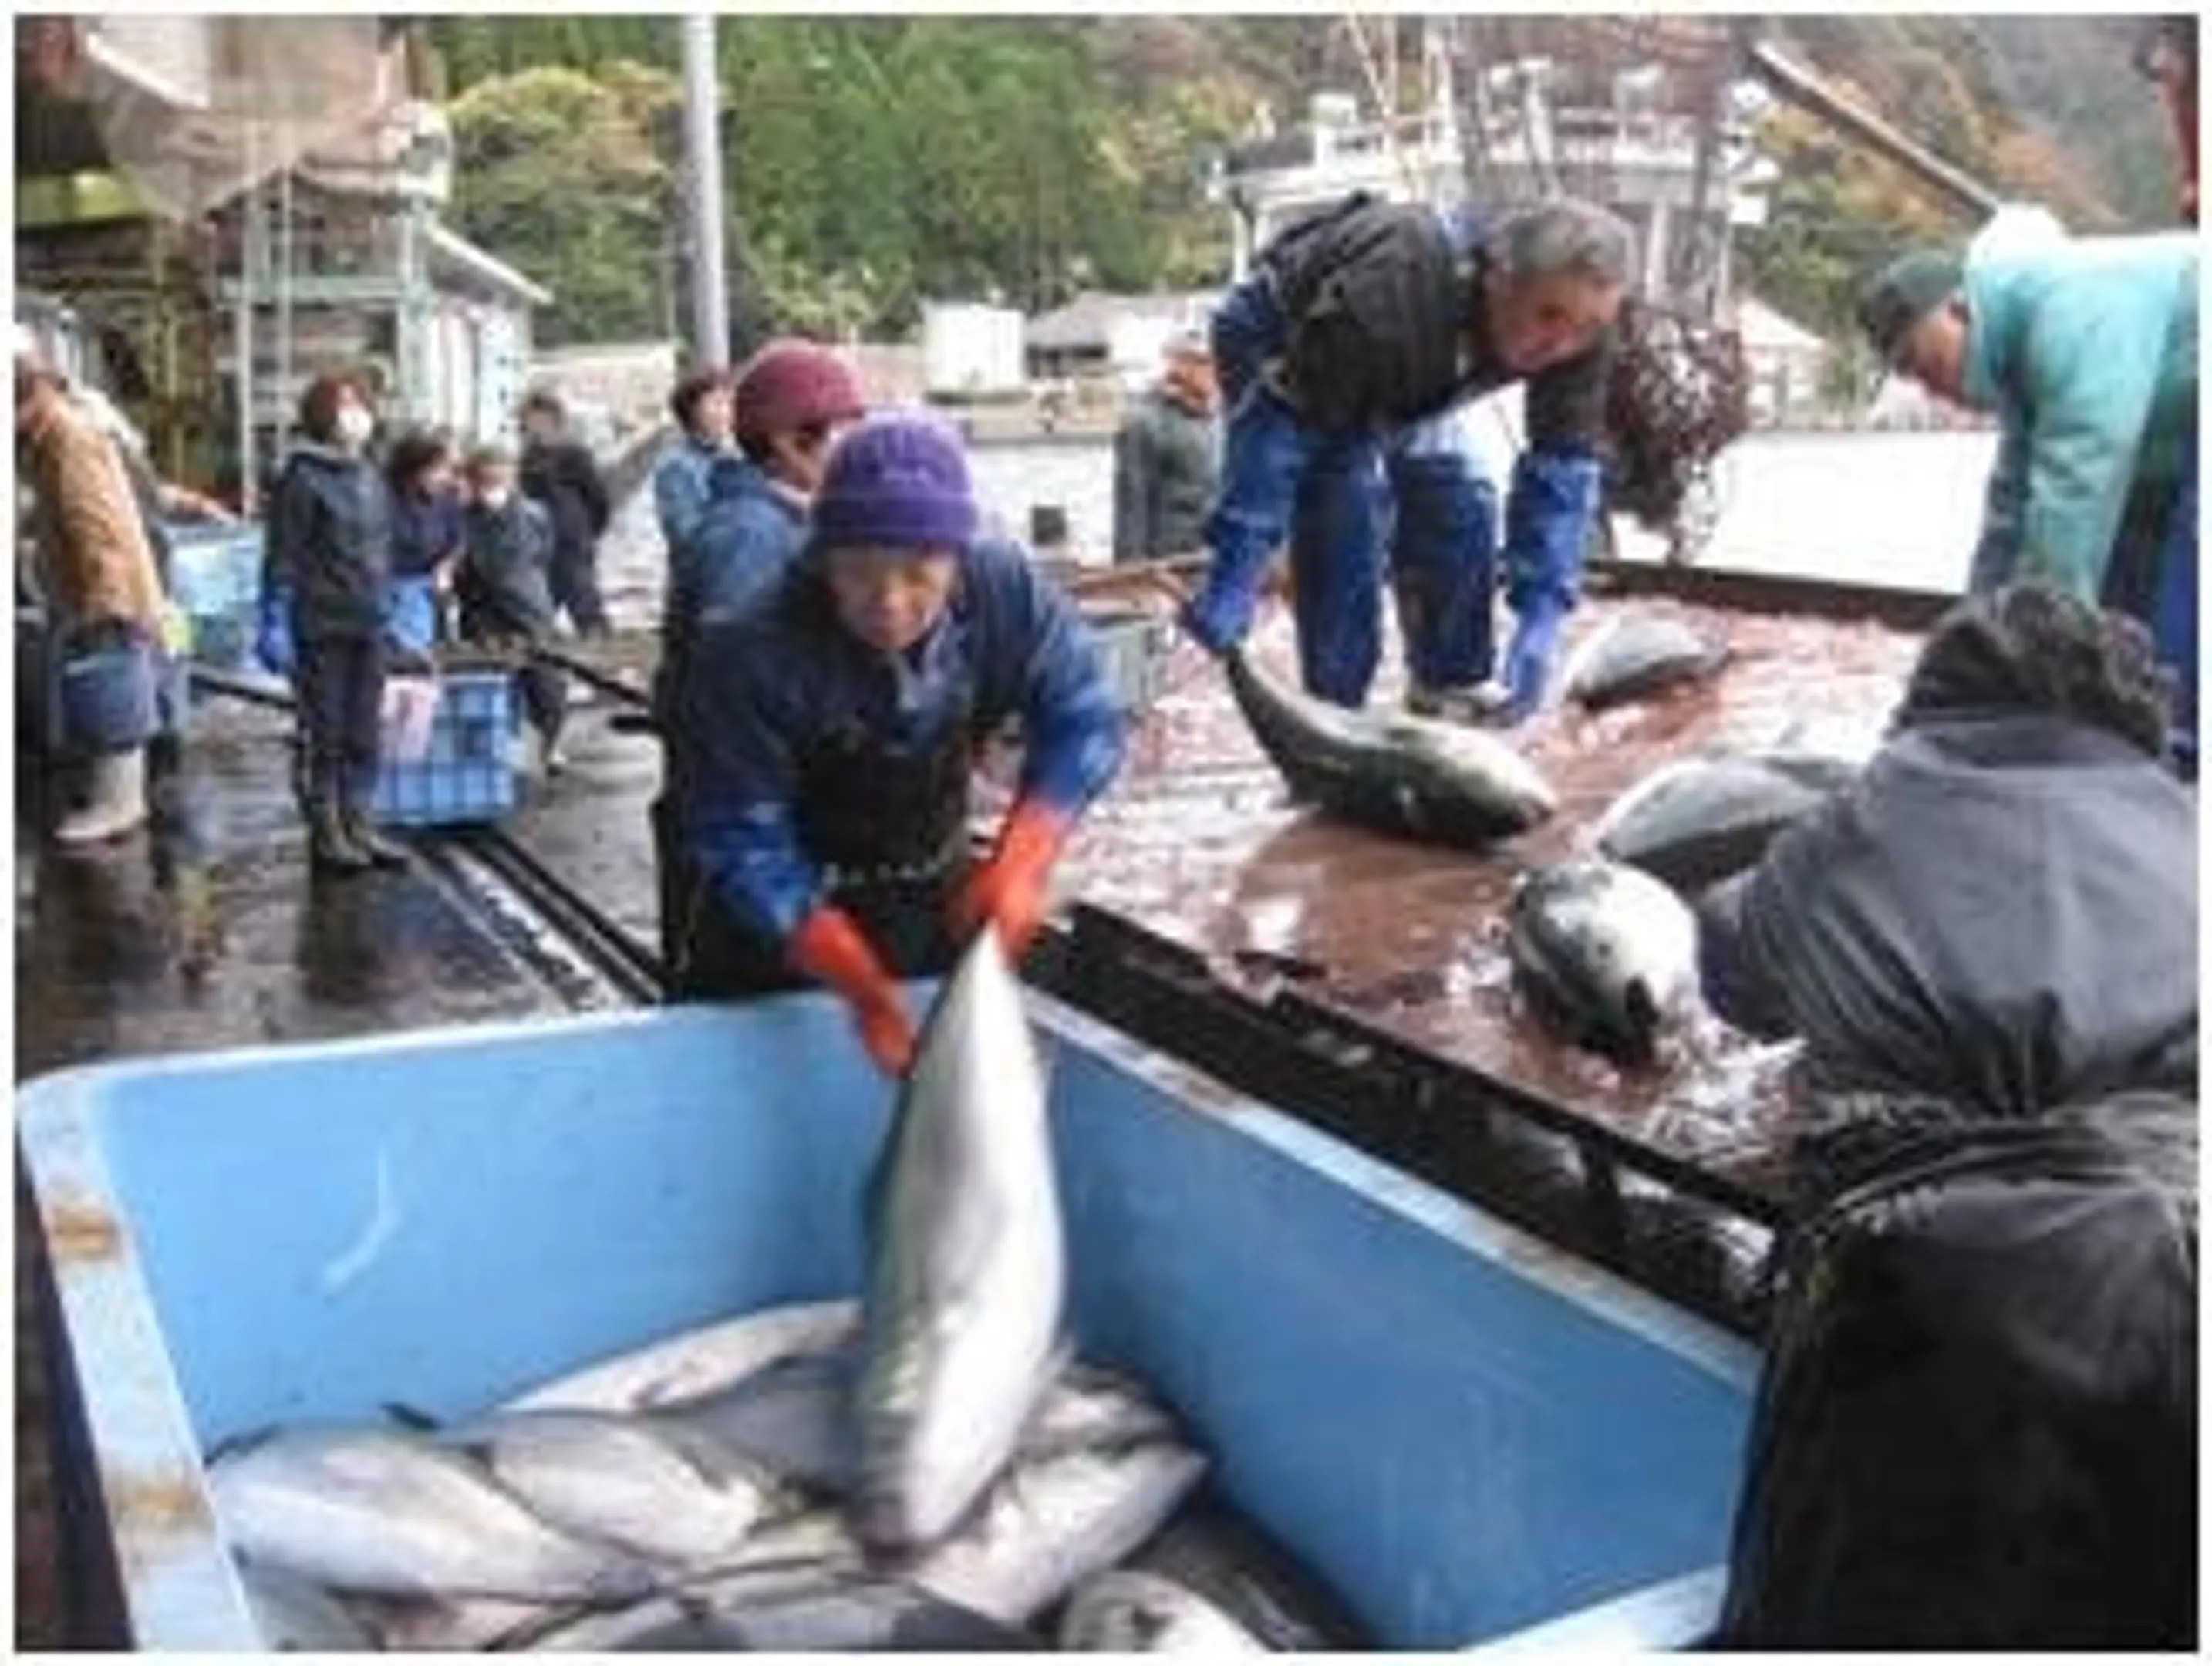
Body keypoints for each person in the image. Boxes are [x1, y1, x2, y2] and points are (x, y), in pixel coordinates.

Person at [677, 413, 1126, 1074]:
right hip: (772, 935)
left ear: (957, 554)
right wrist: (851, 975)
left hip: (925, 893)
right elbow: (741, 835)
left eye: (920, 573)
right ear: (823, 552)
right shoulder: (750, 647)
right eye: (857, 570)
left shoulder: (1004, 588)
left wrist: (1025, 854)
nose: (888, 601)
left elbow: (1084, 713)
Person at [1697, 582, 2197, 1120]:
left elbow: (1735, 971)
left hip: (1889, 1184)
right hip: (2165, 1173)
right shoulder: (2186, 833)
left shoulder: (1855, 823)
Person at [1178, 192, 1631, 722]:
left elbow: (1562, 469)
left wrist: (1544, 611)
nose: (1560, 344)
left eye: (1585, 327)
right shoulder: (1392, 295)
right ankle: (1336, 703)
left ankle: (1448, 679)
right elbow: (1278, 428)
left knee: (1456, 494)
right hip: (1284, 332)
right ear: (1499, 278)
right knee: (1340, 502)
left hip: (1423, 362)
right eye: (1548, 315)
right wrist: (1238, 565)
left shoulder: (1579, 337)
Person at [1856, 227, 2197, 773]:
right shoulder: (2015, 365)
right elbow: (2009, 517)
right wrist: (1962, 652)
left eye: (1922, 359)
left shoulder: (2074, 315)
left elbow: (2074, 504)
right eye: (1911, 376)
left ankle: (2178, 758)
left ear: (1960, 310)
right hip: (2172, 438)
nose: (1927, 385)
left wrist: (2028, 675)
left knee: (2183, 569)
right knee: (2114, 597)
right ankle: (2117, 744)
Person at [652, 339, 866, 973]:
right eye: (845, 435)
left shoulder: (789, 526)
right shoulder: (749, 539)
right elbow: (741, 703)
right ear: (790, 443)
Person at [256, 370, 408, 875]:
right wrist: (275, 616)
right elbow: (283, 554)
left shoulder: (369, 472)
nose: (356, 416)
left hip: (369, 621)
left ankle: (360, 823)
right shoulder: (301, 477)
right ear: (322, 414)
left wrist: (392, 608)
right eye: (345, 405)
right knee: (327, 731)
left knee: (365, 730)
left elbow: (382, 548)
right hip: (320, 624)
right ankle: (326, 830)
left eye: (361, 403)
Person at [15, 349, 170, 845]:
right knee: (109, 687)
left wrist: (105, 600)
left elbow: (96, 527)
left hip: (107, 592)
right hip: (101, 589)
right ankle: (119, 798)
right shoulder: (55, 435)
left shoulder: (67, 439)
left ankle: (118, 803)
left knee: (109, 692)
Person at [454, 443, 568, 777]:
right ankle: (499, 752)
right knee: (490, 684)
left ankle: (541, 750)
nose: (495, 489)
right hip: (483, 612)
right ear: (474, 484)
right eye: (487, 481)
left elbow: (545, 555)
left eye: (501, 479)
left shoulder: (534, 515)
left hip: (530, 609)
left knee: (546, 686)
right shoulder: (463, 520)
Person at [1112, 331, 1220, 563]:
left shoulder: (1221, 421)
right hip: (1170, 563)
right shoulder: (1143, 423)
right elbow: (1132, 510)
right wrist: (1130, 573)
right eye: (1204, 362)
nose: (1215, 370)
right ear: (1180, 366)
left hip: (1218, 559)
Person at [518, 388, 613, 637]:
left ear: (555, 420)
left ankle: (599, 642)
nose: (535, 427)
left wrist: (590, 532)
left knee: (583, 598)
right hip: (539, 542)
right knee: (541, 603)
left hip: (572, 538)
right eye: (530, 420)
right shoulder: (526, 458)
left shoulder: (575, 454)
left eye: (541, 419)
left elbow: (597, 497)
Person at [383, 427, 464, 666]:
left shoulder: (447, 498)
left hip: (427, 592)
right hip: (389, 589)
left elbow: (457, 539)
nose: (445, 477)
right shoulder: (385, 497)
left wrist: (447, 566)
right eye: (438, 470)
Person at [652, 365, 736, 573]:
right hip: (700, 580)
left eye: (729, 403)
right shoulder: (676, 465)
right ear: (692, 410)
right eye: (717, 403)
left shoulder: (735, 454)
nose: (725, 412)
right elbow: (687, 534)